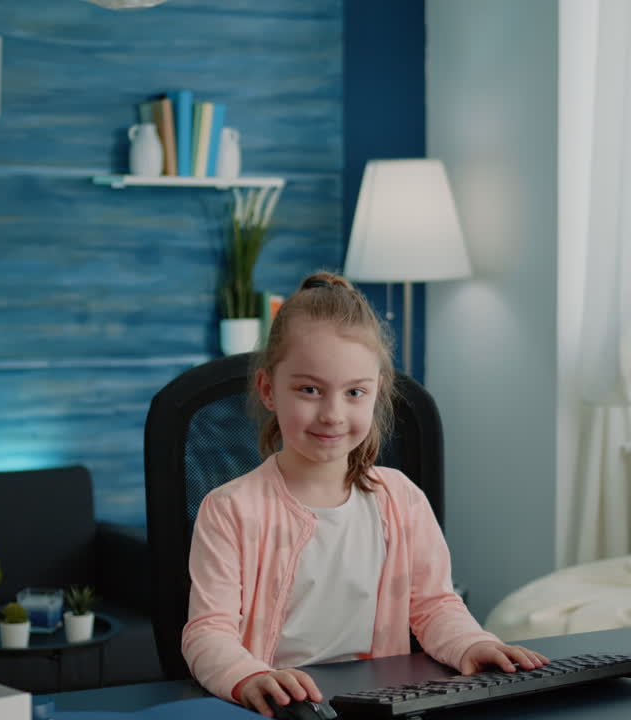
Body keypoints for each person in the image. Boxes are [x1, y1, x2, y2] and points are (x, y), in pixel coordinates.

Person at [183, 271, 549, 717]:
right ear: (268, 389)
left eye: (355, 392)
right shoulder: (230, 509)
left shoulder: (401, 499)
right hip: (278, 710)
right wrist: (249, 677)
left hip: (378, 706)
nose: (333, 414)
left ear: (376, 395)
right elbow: (208, 631)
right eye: (309, 390)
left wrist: (473, 644)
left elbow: (434, 606)